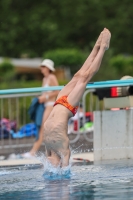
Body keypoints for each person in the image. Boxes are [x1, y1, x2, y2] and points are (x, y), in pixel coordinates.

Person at [43, 28, 111, 167]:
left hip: (59, 103)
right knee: (84, 78)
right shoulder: (61, 150)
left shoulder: (52, 151)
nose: (49, 163)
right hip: (68, 105)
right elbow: (66, 168)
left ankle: (98, 47)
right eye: (52, 164)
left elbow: (62, 170)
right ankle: (102, 48)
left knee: (79, 76)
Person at [23, 59, 59, 158]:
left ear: (48, 68)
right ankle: (39, 152)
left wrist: (45, 97)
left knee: (43, 129)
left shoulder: (52, 77)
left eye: (43, 67)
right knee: (46, 129)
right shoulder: (45, 79)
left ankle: (33, 152)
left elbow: (57, 91)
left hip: (50, 105)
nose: (41, 69)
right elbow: (46, 93)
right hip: (46, 105)